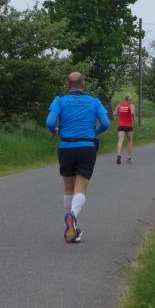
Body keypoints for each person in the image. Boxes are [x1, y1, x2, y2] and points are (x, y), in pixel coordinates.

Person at [46, 72, 110, 244]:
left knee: (68, 188)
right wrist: (93, 133)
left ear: (68, 85)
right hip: (86, 147)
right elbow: (106, 123)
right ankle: (73, 216)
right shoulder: (94, 101)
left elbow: (50, 122)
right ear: (84, 84)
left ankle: (73, 225)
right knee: (80, 187)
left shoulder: (59, 101)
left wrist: (54, 131)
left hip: (66, 147)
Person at [113, 94, 136, 164]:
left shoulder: (120, 105)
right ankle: (129, 158)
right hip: (128, 125)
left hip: (120, 125)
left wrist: (120, 114)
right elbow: (132, 113)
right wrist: (134, 119)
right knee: (130, 140)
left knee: (120, 140)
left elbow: (114, 113)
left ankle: (118, 155)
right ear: (129, 99)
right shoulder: (131, 105)